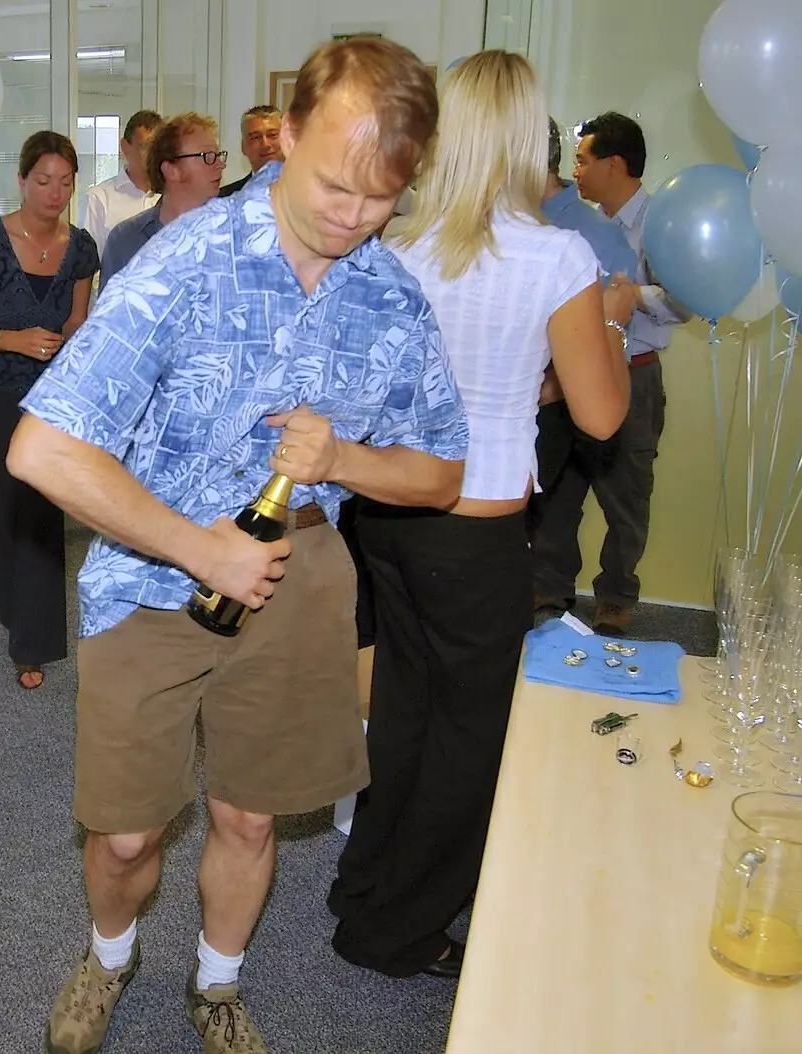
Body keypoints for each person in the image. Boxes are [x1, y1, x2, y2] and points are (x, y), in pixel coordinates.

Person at [9, 37, 467, 1054]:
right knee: (126, 833)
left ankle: (217, 982)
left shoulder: (387, 293)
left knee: (251, 819)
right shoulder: (189, 257)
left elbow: (440, 470)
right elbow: (42, 446)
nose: (352, 215)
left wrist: (344, 455)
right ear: (287, 136)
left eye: (380, 198)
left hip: (298, 578)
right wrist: (197, 550)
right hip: (149, 573)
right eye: (334, 185)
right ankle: (109, 953)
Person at [327, 51, 633, 980]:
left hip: (388, 514)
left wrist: (526, 381)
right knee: (471, 736)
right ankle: (399, 930)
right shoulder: (558, 255)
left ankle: (364, 888)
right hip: (475, 528)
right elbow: (603, 415)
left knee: (409, 712)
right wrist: (613, 321)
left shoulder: (399, 244)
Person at [530, 110, 690, 636]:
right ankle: (550, 591)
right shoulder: (573, 222)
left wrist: (618, 303)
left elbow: (683, 301)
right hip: (569, 374)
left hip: (633, 370)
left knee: (625, 496)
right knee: (559, 491)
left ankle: (616, 599)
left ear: (614, 164)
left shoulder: (661, 221)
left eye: (583, 160)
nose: (576, 170)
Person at [0, 131, 98, 690]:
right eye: (43, 181)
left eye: (65, 182)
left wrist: (73, 347)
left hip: (51, 401)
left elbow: (78, 320)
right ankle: (14, 614)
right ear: (21, 180)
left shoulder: (81, 248)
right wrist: (15, 340)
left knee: (42, 517)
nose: (55, 193)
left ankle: (33, 642)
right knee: (2, 512)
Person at [531, 116, 637, 495]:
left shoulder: (593, 237)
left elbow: (611, 334)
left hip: (562, 411)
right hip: (504, 421)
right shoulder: (494, 228)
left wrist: (549, 387)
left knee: (552, 537)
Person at [101, 112, 225, 282]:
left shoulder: (231, 236)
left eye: (218, 155)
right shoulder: (125, 240)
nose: (221, 164)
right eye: (207, 156)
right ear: (171, 170)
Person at [81, 109, 161, 254]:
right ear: (125, 147)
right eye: (145, 146)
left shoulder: (173, 197)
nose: (152, 155)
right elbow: (91, 268)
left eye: (157, 147)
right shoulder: (99, 199)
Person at [218, 105, 281, 197]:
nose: (265, 144)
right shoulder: (225, 198)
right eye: (255, 137)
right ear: (243, 146)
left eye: (272, 135)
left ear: (288, 139)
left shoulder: (307, 193)